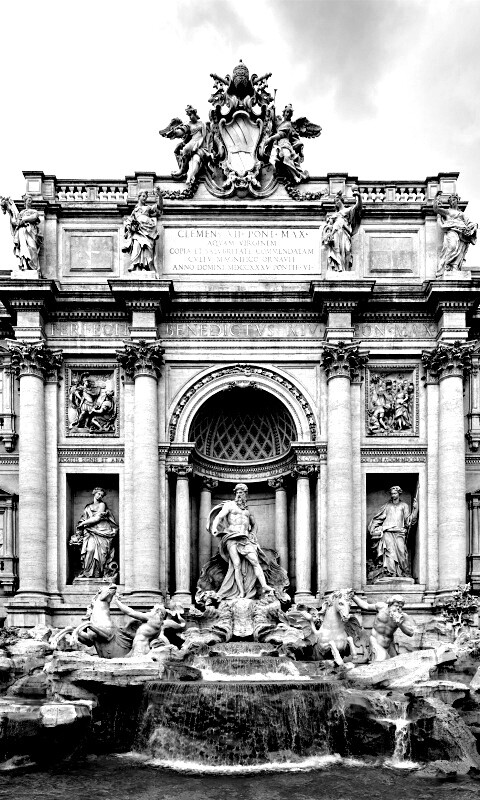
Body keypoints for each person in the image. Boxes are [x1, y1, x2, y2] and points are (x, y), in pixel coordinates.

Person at [210, 483, 274, 600]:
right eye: (238, 492)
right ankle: (241, 592)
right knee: (237, 565)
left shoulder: (248, 511)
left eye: (242, 493)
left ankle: (264, 585)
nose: (239, 495)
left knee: (255, 561)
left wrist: (253, 534)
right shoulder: (229, 505)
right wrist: (214, 528)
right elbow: (219, 517)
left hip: (245, 539)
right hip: (232, 537)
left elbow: (254, 525)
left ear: (246, 495)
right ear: (235, 493)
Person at [368, 485, 418, 579]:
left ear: (399, 493)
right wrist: (373, 527)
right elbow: (378, 518)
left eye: (395, 493)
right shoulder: (387, 506)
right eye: (392, 494)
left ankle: (402, 572)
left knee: (401, 552)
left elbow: (409, 521)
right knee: (389, 552)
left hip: (399, 532)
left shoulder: (404, 506)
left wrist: (415, 509)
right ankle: (390, 573)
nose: (393, 495)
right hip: (388, 532)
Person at [352, 594, 414, 661]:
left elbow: (410, 633)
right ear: (390, 604)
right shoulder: (381, 607)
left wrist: (400, 624)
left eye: (400, 607)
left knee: (394, 663)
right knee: (381, 659)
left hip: (389, 645)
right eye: (396, 605)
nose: (398, 608)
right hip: (376, 641)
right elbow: (366, 606)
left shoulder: (402, 617)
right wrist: (353, 596)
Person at [72, 487, 118, 579]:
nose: (100, 496)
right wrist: (80, 528)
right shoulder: (88, 507)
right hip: (90, 532)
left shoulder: (102, 505)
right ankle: (87, 573)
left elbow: (97, 518)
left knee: (101, 554)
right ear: (94, 493)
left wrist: (83, 524)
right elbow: (83, 518)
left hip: (102, 530)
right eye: (98, 494)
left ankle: (98, 574)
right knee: (90, 550)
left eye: (102, 495)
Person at [433, 191, 477, 276]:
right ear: (449, 202)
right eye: (451, 200)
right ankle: (446, 265)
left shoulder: (461, 214)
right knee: (452, 246)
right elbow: (436, 209)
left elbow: (469, 223)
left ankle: (454, 266)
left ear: (457, 201)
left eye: (454, 200)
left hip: (462, 233)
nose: (453, 201)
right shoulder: (447, 211)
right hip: (452, 230)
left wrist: (474, 226)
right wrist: (436, 198)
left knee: (460, 250)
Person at [322, 189, 362, 272]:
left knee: (347, 250)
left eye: (337, 200)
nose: (336, 203)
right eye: (335, 201)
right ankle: (339, 267)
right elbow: (329, 226)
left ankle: (346, 270)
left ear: (341, 200)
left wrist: (358, 196)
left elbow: (358, 207)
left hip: (345, 233)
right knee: (337, 250)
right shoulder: (334, 215)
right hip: (336, 233)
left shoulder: (348, 210)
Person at [122, 188, 162, 272]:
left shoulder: (148, 208)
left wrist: (160, 196)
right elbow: (129, 221)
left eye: (146, 197)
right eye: (143, 196)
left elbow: (159, 209)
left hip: (147, 230)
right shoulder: (135, 210)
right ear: (139, 197)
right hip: (138, 230)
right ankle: (135, 263)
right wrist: (130, 226)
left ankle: (146, 265)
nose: (145, 198)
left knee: (147, 246)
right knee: (136, 245)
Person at [1, 194, 42, 272]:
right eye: (29, 200)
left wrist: (24, 219)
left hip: (31, 231)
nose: (30, 202)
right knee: (23, 247)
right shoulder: (21, 212)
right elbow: (15, 222)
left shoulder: (34, 211)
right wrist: (11, 213)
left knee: (32, 247)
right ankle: (25, 264)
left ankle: (34, 266)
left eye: (31, 201)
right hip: (22, 231)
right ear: (25, 202)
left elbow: (34, 217)